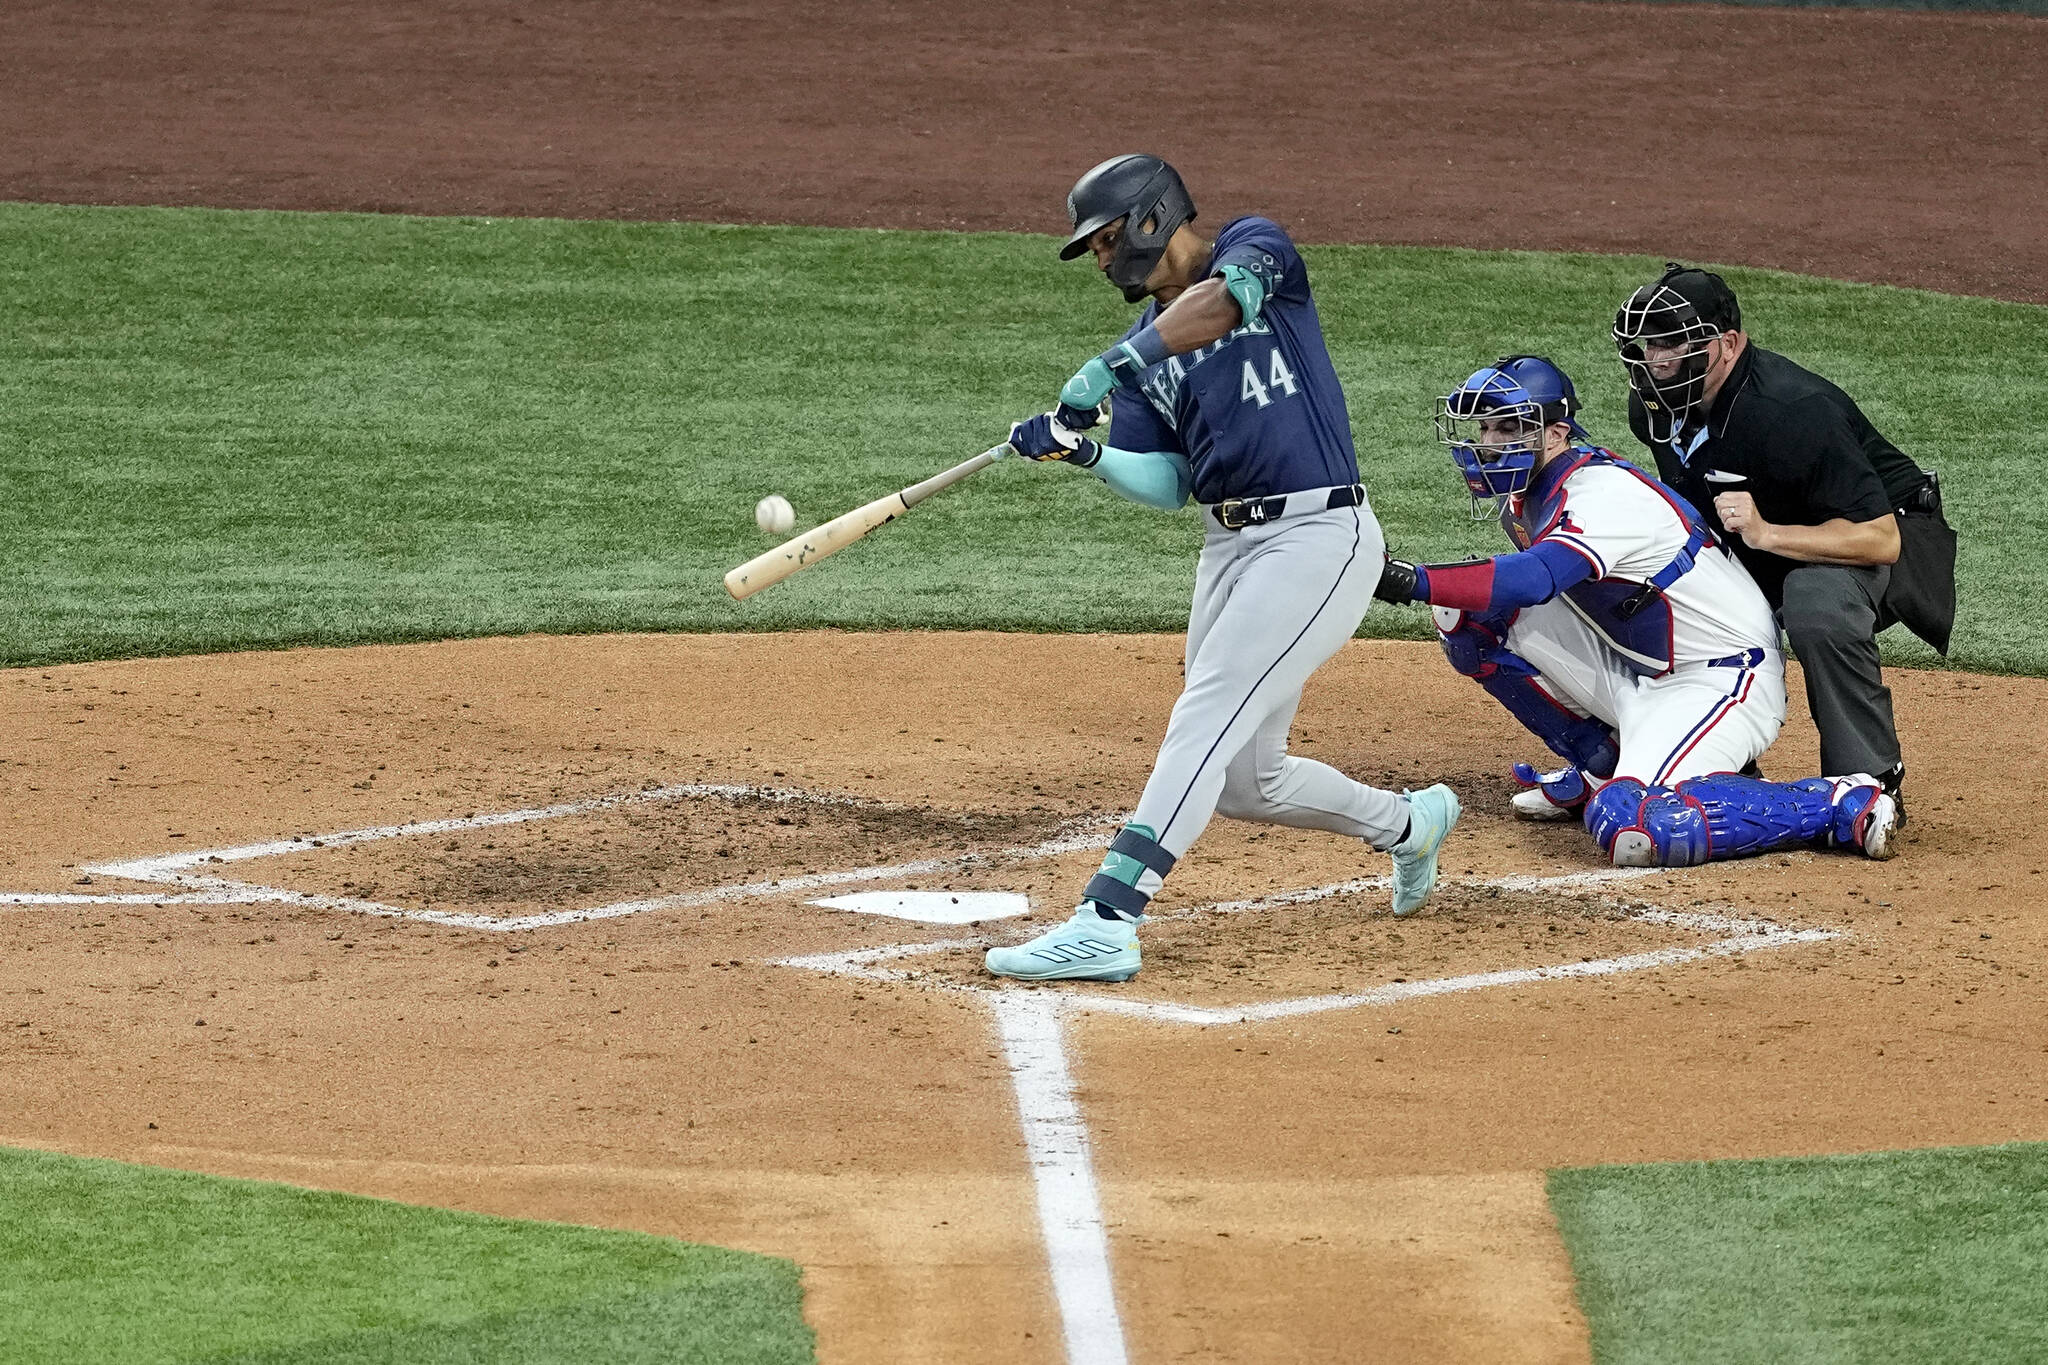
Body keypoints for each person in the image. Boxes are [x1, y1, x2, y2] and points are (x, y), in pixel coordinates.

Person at [982, 153, 1460, 984]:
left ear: (1149, 218)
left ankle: (1107, 917)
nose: (1100, 261)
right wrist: (1085, 451)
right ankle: (1409, 823)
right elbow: (1168, 480)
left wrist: (1108, 367)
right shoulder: (1144, 352)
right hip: (1229, 547)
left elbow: (1223, 302)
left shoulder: (1254, 248)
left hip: (1322, 536)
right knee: (1246, 776)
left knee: (1203, 715)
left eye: (1101, 242)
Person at [1372, 355, 1899, 868]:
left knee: (1639, 825)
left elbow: (1536, 580)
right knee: (1466, 616)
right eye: (1484, 428)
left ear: (1555, 434)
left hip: (1719, 677)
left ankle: (1835, 803)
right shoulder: (1529, 493)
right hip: (1640, 662)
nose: (1488, 445)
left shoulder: (1603, 496)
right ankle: (1601, 766)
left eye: (1508, 427)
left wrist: (1406, 579)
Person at [1613, 264, 1957, 822]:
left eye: (1674, 344)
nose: (1657, 361)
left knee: (1816, 603)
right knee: (1642, 589)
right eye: (1648, 346)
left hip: (1882, 530)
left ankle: (1868, 783)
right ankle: (1694, 756)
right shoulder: (1656, 406)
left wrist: (1767, 534)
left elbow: (1881, 539)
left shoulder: (1791, 413)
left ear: (1727, 344)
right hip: (1761, 534)